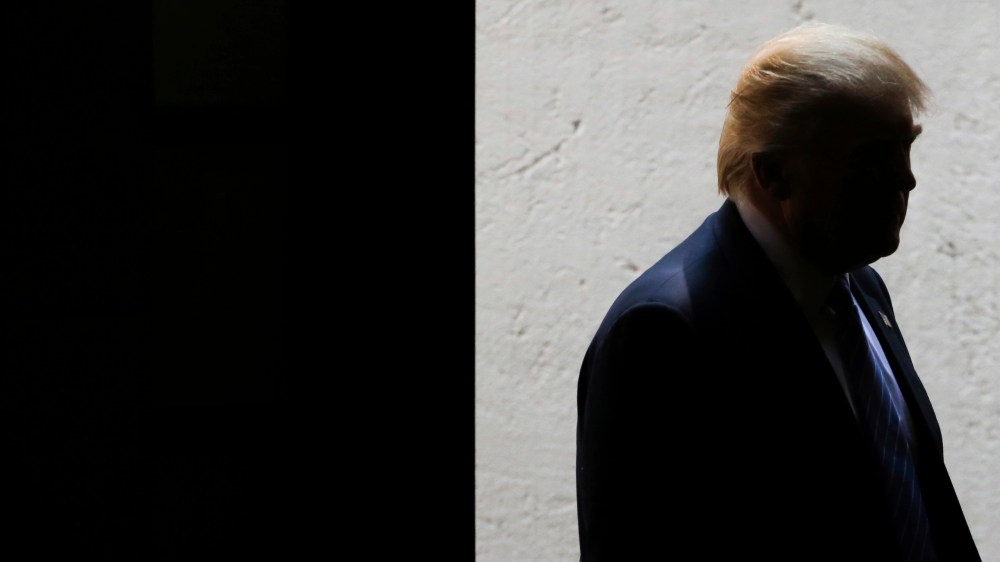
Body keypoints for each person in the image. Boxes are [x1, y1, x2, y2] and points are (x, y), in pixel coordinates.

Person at [576, 23, 982, 561]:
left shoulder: (859, 287)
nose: (906, 181)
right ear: (774, 174)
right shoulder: (663, 331)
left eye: (905, 149)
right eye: (872, 158)